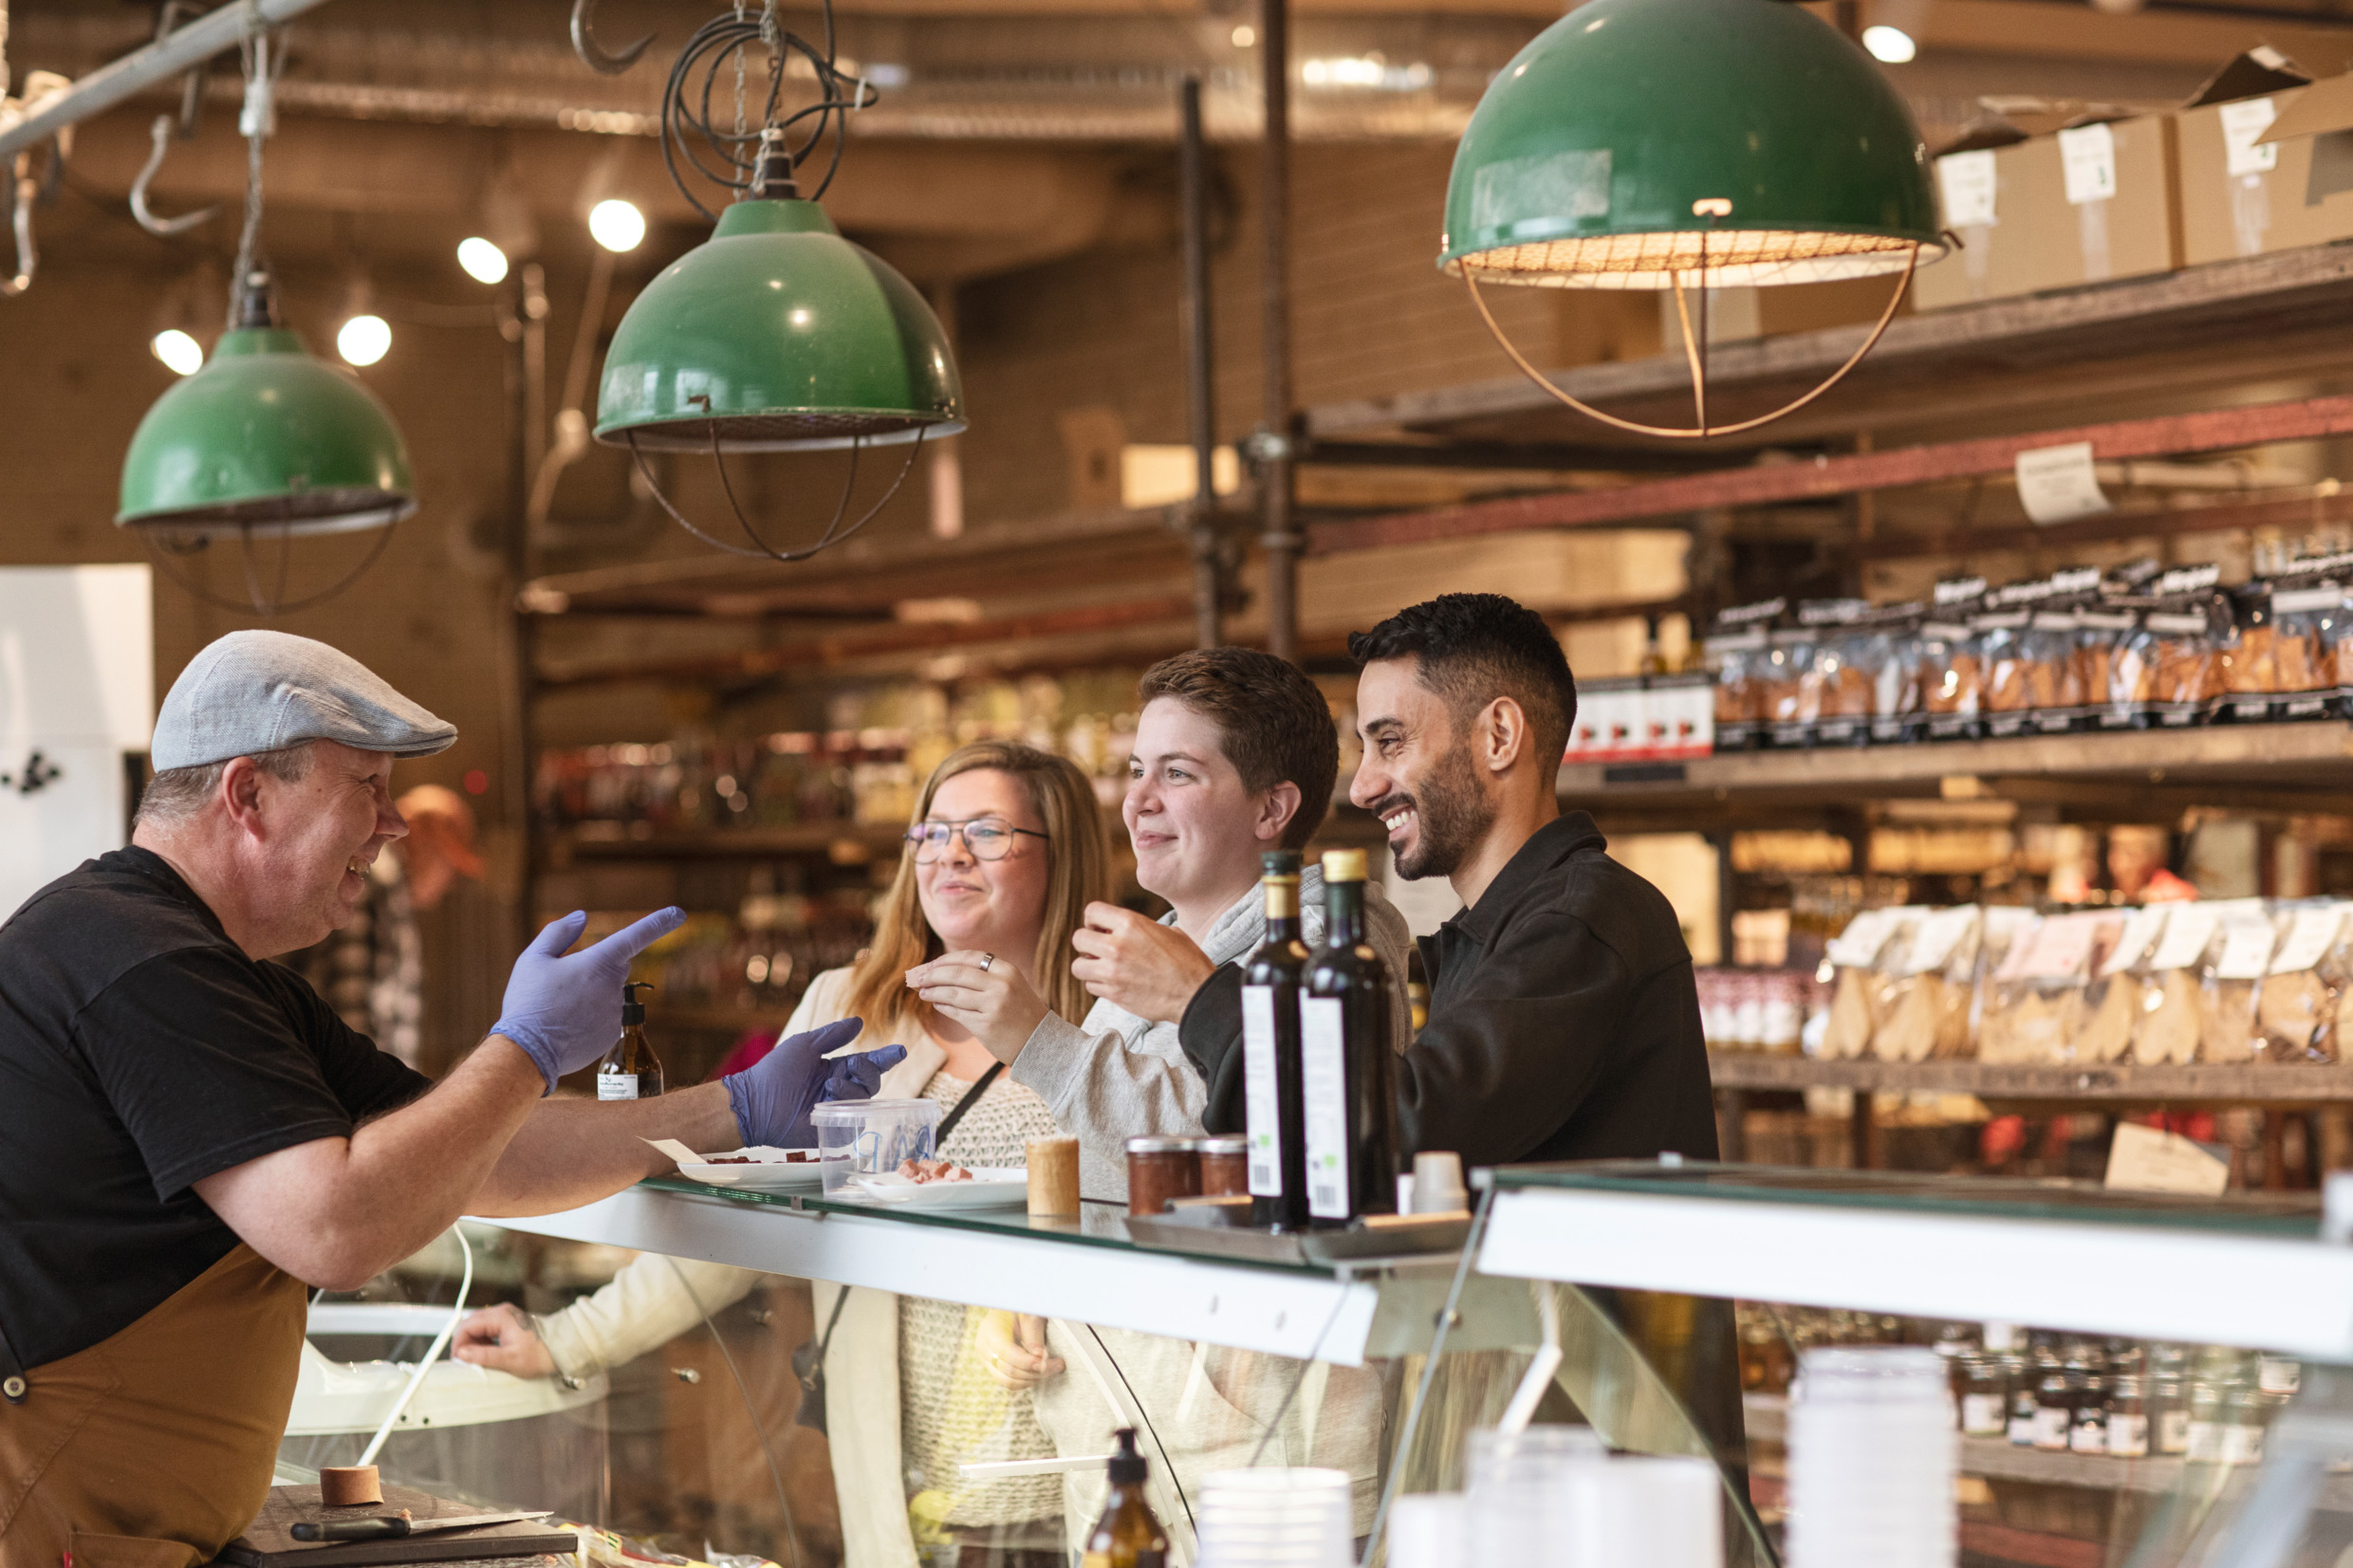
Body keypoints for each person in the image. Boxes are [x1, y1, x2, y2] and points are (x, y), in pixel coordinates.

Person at [0, 631, 893, 1568]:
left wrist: (735, 1108)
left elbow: (477, 1155)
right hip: (54, 1518)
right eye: (366, 790)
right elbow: (334, 1229)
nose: (390, 827)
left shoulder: (221, 975)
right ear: (248, 795)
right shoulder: (145, 963)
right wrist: (525, 1050)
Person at [454, 740, 1111, 1568]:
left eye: (985, 830)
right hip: (913, 1474)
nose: (949, 853)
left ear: (1064, 853)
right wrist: (568, 1341)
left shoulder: (1114, 1025)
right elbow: (747, 1214)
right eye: (931, 831)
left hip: (1080, 1460)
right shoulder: (851, 1005)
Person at [1180, 594, 1717, 1167]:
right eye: (1365, 749)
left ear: (1499, 736)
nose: (1362, 787)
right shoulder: (1502, 928)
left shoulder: (1581, 918)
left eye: (1390, 742)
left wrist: (1200, 998)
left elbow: (1409, 1129)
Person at [906, 647, 1414, 1200]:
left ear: (1271, 810)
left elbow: (1225, 1149)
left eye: (1176, 773)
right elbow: (1110, 1157)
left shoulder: (1323, 949)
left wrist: (1037, 1040)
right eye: (1136, 771)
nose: (1137, 802)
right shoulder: (1163, 939)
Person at [289, 783, 485, 1068]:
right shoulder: (371, 884)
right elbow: (350, 1007)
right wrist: (381, 1102)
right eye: (449, 864)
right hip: (350, 1098)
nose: (448, 882)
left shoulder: (389, 890)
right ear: (420, 836)